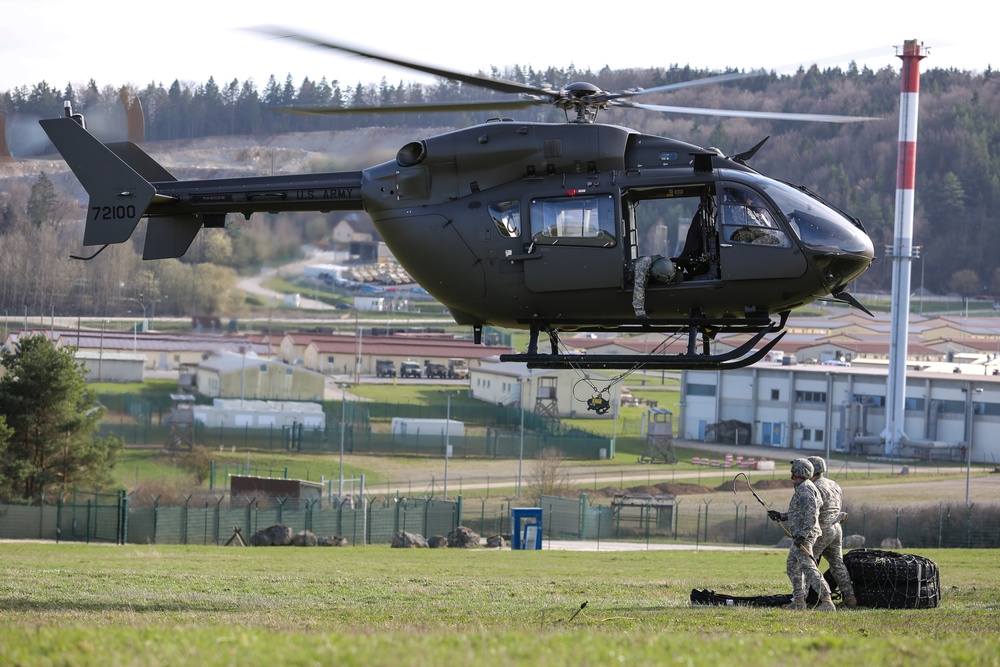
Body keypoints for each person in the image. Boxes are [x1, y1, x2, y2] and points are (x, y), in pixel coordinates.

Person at [767, 458, 836, 611]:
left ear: (799, 472)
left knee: (809, 568)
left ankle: (827, 602)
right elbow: (798, 513)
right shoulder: (803, 487)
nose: (791, 475)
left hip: (804, 536)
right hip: (801, 534)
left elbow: (811, 515)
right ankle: (799, 602)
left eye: (794, 472)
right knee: (792, 566)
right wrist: (781, 516)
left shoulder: (806, 490)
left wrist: (803, 535)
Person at [807, 456, 857, 608]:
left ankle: (802, 599)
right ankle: (849, 597)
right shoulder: (834, 484)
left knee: (808, 562)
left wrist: (784, 516)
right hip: (836, 528)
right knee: (837, 564)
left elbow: (809, 511)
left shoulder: (813, 487)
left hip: (821, 530)